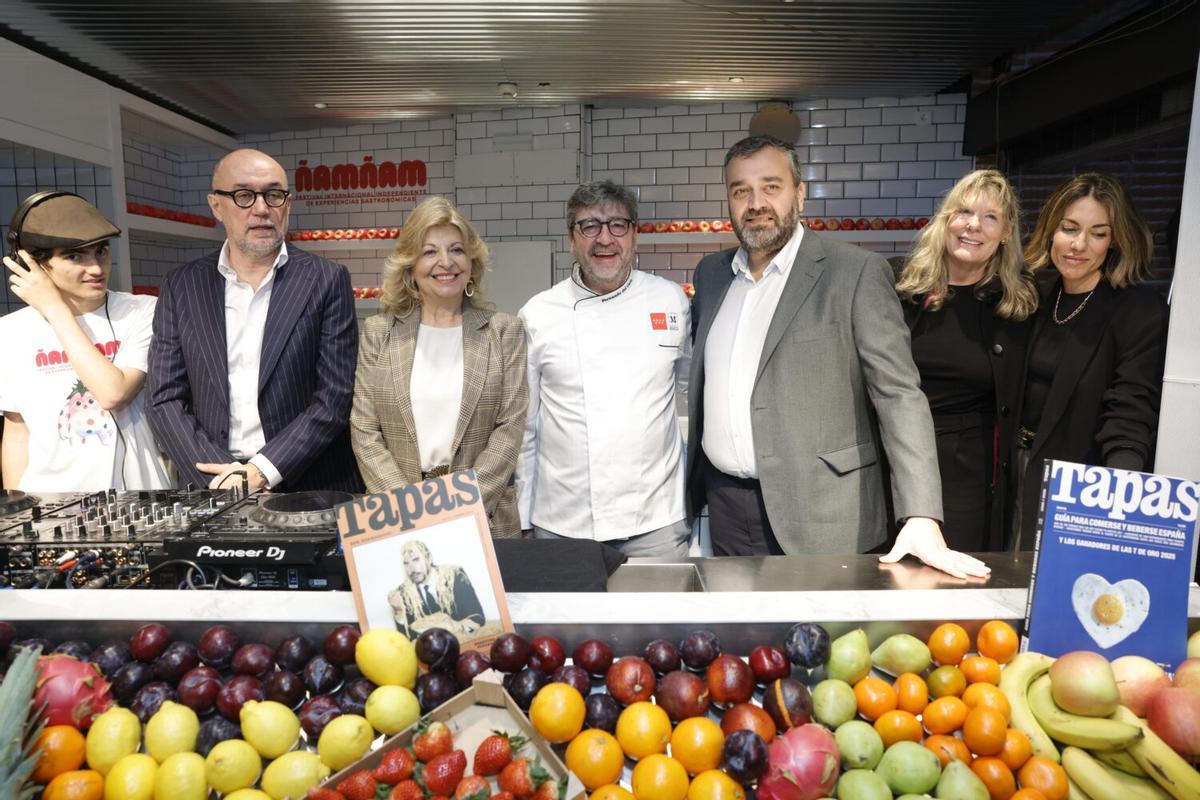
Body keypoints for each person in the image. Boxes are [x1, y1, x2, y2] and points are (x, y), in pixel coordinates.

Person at [687, 134, 989, 579]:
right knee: (745, 643)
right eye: (740, 190)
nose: (756, 203)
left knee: (824, 644)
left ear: (800, 193)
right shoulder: (711, 275)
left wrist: (921, 514)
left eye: (771, 186)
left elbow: (899, 395)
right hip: (729, 506)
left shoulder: (856, 272)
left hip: (824, 511)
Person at [147, 149, 362, 492]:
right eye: (244, 196)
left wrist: (262, 470)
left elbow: (335, 396)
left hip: (307, 482)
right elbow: (164, 398)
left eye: (274, 195)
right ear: (216, 206)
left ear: (287, 205)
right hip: (213, 481)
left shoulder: (326, 280)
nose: (262, 209)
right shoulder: (181, 285)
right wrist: (220, 478)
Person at [516, 180, 692, 557]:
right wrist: (524, 519)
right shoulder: (538, 314)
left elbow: (690, 390)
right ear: (571, 238)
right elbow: (526, 427)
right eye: (589, 225)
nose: (604, 239)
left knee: (657, 618)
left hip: (656, 523)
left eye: (617, 225)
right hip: (563, 524)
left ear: (634, 235)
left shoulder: (670, 299)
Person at [350, 196, 527, 537]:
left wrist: (457, 509)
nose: (445, 262)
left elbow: (509, 432)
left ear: (471, 261)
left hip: (484, 520)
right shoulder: (379, 333)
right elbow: (364, 431)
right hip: (396, 522)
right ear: (410, 266)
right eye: (430, 252)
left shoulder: (504, 331)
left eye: (456, 250)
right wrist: (411, 512)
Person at [1012, 173, 1169, 547]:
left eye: (1098, 233)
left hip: (1078, 483)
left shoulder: (1138, 309)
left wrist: (1122, 493)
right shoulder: (1034, 295)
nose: (1078, 244)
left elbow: (1131, 408)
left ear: (1115, 241)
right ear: (1051, 229)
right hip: (1008, 473)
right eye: (1069, 228)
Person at [895, 170, 1038, 551]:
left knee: (954, 581)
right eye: (963, 212)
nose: (973, 225)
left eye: (990, 217)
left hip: (967, 467)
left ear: (1006, 231)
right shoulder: (898, 283)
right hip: (892, 453)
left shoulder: (1019, 300)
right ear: (946, 219)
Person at [0, 191, 173, 491]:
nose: (96, 268)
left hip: (141, 502)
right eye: (75, 256)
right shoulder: (10, 331)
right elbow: (17, 434)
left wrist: (55, 310)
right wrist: (18, 515)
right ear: (31, 263)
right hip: (50, 511)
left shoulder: (143, 311)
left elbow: (113, 392)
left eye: (101, 251)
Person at [388, 539, 485, 638]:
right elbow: (406, 638)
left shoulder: (453, 575)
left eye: (416, 560)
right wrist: (399, 612)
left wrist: (456, 626)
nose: (411, 569)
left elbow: (477, 617)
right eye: (406, 563)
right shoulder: (404, 592)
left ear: (429, 558)